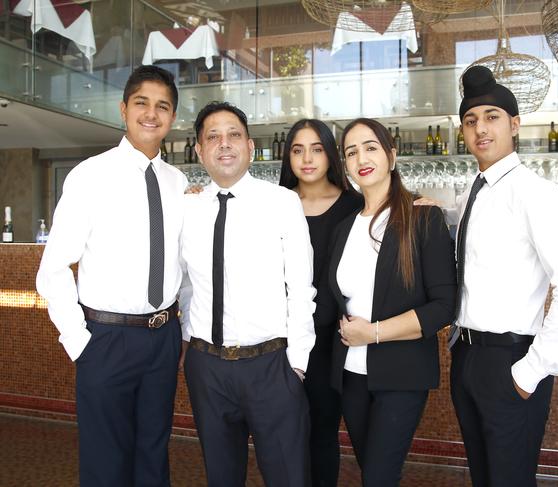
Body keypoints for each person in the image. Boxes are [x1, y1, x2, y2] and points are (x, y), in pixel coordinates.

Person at [36, 65, 187, 487]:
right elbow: (53, 268)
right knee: (106, 463)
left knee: (154, 455)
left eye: (163, 106)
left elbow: (183, 265)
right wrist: (80, 342)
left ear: (172, 117)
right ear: (124, 110)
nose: (151, 114)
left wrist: (182, 331)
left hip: (162, 338)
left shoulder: (178, 182)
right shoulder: (90, 175)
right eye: (142, 103)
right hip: (105, 339)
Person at [449, 65, 558, 487]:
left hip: (510, 361)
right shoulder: (469, 195)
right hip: (467, 357)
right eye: (471, 120)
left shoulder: (534, 192)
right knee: (483, 477)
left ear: (514, 124)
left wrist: (530, 372)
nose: (481, 128)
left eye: (492, 117)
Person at [178, 101, 316, 487]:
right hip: (208, 369)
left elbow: (301, 287)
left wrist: (297, 364)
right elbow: (186, 284)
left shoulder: (282, 202)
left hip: (272, 367)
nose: (225, 144)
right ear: (200, 150)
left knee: (288, 477)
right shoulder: (187, 207)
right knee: (221, 477)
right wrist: (189, 342)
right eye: (213, 137)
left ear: (251, 148)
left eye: (234, 134)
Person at [322, 118, 457, 487]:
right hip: (350, 374)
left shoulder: (423, 216)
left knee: (379, 477)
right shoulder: (343, 228)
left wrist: (374, 333)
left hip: (401, 374)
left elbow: (444, 306)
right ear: (345, 165)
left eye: (370, 147)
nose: (361, 157)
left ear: (391, 156)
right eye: (351, 152)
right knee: (373, 472)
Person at [278, 119, 362, 487]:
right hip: (279, 338)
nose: (307, 158)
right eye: (298, 150)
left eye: (316, 149)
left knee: (323, 434)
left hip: (332, 343)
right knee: (282, 434)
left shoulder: (354, 205)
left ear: (330, 153)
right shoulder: (274, 203)